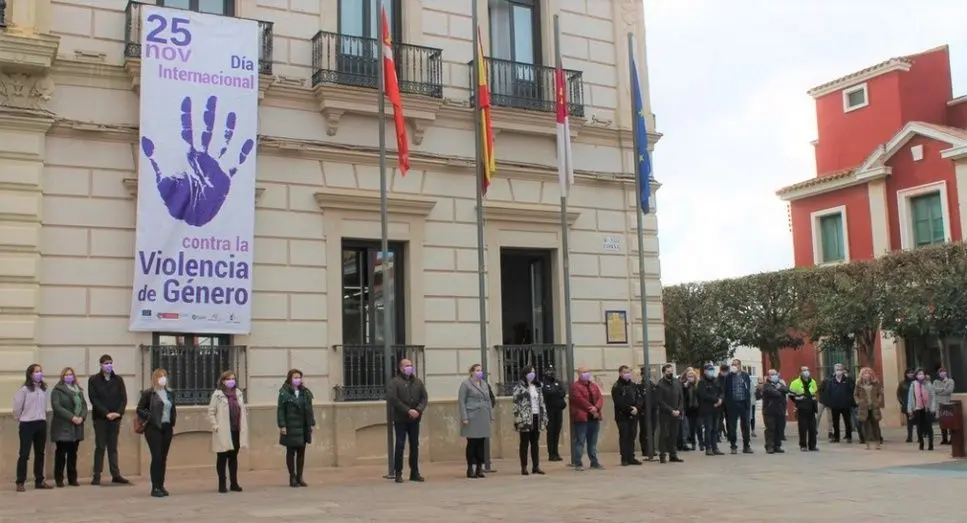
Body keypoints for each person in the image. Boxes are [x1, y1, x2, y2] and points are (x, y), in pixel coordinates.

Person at [88, 354, 130, 485]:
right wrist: (106, 413)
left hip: (115, 418)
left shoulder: (118, 380)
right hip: (100, 418)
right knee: (100, 446)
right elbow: (94, 399)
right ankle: (96, 475)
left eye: (110, 363)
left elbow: (123, 398)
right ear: (101, 365)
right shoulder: (93, 380)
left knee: (113, 447)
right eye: (106, 363)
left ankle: (115, 474)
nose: (108, 365)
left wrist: (118, 412)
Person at [137, 368, 177, 498]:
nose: (163, 379)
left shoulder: (170, 393)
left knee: (163, 457)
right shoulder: (149, 393)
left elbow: (172, 408)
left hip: (167, 427)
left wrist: (172, 421)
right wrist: (149, 416)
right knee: (157, 457)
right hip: (153, 428)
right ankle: (155, 487)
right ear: (155, 378)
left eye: (164, 376)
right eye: (160, 376)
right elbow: (140, 409)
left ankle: (161, 485)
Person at [387, 358, 428, 483]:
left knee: (414, 445)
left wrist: (418, 410)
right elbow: (393, 399)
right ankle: (398, 472)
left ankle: (414, 472)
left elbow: (424, 398)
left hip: (415, 419)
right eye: (407, 365)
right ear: (401, 368)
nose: (410, 367)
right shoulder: (395, 382)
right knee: (400, 445)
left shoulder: (417, 382)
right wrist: (407, 410)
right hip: (401, 418)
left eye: (411, 365)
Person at [208, 370, 249, 493]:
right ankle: (222, 484)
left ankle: (234, 483)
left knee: (233, 457)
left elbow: (241, 410)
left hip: (235, 430)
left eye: (233, 379)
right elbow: (211, 412)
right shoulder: (218, 394)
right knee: (222, 457)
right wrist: (215, 426)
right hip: (223, 431)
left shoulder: (238, 394)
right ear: (223, 381)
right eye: (228, 379)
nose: (231, 381)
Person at [13, 364, 51, 492]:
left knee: (40, 453)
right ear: (30, 374)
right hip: (27, 424)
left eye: (40, 371)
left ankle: (39, 480)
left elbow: (44, 406)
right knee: (24, 454)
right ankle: (20, 481)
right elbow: (17, 407)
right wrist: (20, 418)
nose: (39, 374)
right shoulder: (24, 390)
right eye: (36, 372)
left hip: (41, 423)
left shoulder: (43, 389)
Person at [50, 366, 87, 488]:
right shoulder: (57, 391)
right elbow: (57, 407)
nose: (68, 376)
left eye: (70, 374)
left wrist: (82, 417)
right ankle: (59, 478)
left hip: (76, 426)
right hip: (63, 426)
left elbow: (84, 406)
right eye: (66, 375)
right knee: (61, 454)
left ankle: (72, 479)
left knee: (73, 454)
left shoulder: (78, 390)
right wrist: (72, 417)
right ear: (62, 377)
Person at [277, 368, 315, 487]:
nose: (298, 379)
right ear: (290, 379)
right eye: (295, 377)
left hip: (302, 426)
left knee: (301, 452)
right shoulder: (284, 393)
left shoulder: (305, 393)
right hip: (290, 426)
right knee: (290, 452)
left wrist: (311, 424)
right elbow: (280, 410)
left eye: (299, 377)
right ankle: (292, 477)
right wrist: (282, 425)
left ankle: (300, 476)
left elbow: (309, 410)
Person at [458, 363, 492, 479]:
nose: (479, 372)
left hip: (483, 416)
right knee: (472, 443)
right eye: (477, 370)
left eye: (480, 370)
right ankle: (470, 468)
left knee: (481, 443)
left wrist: (490, 415)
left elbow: (488, 400)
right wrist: (464, 417)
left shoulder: (484, 384)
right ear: (472, 372)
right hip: (472, 416)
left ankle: (479, 467)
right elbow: (461, 401)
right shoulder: (466, 384)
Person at [512, 366, 547, 475]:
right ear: (525, 374)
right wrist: (518, 418)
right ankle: (524, 467)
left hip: (536, 416)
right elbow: (515, 404)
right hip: (525, 418)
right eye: (530, 372)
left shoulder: (537, 386)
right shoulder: (519, 387)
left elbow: (542, 402)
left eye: (534, 372)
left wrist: (544, 416)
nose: (532, 374)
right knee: (524, 443)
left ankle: (536, 466)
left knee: (535, 442)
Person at [569, 366, 604, 471]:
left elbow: (600, 398)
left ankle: (594, 462)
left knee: (592, 442)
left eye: (587, 372)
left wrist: (596, 408)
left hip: (594, 418)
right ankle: (578, 463)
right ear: (579, 374)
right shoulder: (575, 387)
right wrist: (591, 408)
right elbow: (579, 400)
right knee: (580, 441)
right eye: (583, 372)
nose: (586, 374)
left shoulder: (593, 386)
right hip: (581, 418)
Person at [611, 365, 641, 465]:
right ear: (620, 373)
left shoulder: (633, 385)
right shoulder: (617, 386)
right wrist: (630, 409)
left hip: (634, 414)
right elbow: (618, 402)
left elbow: (639, 398)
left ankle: (631, 457)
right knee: (624, 436)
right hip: (622, 416)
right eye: (625, 372)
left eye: (628, 372)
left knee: (632, 436)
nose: (627, 374)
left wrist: (637, 407)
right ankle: (624, 458)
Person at [655, 363, 684, 463]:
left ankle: (673, 455)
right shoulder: (660, 385)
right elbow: (660, 401)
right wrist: (671, 410)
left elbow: (681, 398)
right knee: (664, 435)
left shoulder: (677, 382)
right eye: (668, 372)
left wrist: (679, 410)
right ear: (664, 373)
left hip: (676, 413)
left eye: (671, 371)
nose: (670, 373)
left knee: (674, 435)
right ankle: (662, 456)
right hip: (665, 414)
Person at [724, 359, 753, 454]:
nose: (734, 366)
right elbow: (725, 389)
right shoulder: (728, 376)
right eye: (733, 364)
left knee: (745, 425)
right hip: (732, 404)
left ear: (740, 365)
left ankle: (746, 446)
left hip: (743, 403)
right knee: (732, 426)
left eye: (736, 364)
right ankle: (733, 446)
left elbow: (748, 388)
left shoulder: (745, 375)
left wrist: (748, 401)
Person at [788, 366, 819, 452]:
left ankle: (812, 445)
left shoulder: (813, 381)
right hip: (801, 408)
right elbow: (791, 395)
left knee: (812, 428)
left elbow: (815, 392)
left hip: (812, 408)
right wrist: (798, 399)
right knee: (802, 428)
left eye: (807, 370)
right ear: (800, 372)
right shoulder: (795, 383)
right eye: (804, 370)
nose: (806, 372)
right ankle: (803, 445)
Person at [823, 363, 855, 443]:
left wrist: (850, 401)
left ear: (843, 370)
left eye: (840, 369)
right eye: (837, 370)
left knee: (847, 422)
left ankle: (849, 437)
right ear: (834, 371)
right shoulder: (831, 381)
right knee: (835, 422)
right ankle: (836, 437)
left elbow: (852, 390)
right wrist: (829, 403)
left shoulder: (848, 380)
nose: (839, 371)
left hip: (845, 405)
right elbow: (828, 392)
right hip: (835, 405)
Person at [541, 366, 567, 461]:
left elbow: (563, 392)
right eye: (549, 371)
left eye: (552, 371)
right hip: (549, 411)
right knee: (551, 431)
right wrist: (556, 392)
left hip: (558, 410)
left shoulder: (557, 382)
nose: (551, 373)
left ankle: (556, 452)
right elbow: (547, 393)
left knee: (557, 431)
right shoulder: (544, 383)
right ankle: (551, 454)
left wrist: (554, 392)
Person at [854, 367, 884, 450]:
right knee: (865, 426)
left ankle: (877, 443)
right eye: (865, 373)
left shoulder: (876, 384)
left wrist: (878, 401)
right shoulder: (859, 384)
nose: (867, 375)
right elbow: (855, 394)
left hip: (874, 407)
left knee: (875, 426)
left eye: (868, 373)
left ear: (871, 375)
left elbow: (880, 394)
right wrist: (858, 402)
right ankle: (867, 444)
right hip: (864, 408)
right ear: (862, 375)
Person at [697, 364, 724, 456]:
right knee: (708, 428)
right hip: (707, 408)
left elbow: (721, 391)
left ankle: (715, 447)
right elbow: (704, 395)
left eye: (712, 369)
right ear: (705, 371)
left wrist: (720, 399)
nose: (711, 371)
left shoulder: (716, 380)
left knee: (715, 429)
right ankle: (708, 448)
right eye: (709, 370)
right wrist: (716, 400)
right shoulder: (702, 382)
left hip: (717, 408)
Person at [907, 368, 936, 451]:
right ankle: (921, 443)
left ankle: (931, 444)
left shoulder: (928, 384)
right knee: (919, 427)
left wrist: (933, 407)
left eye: (922, 374)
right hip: (918, 408)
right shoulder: (913, 384)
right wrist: (910, 409)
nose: (921, 375)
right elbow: (910, 397)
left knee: (929, 426)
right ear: (916, 375)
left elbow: (933, 396)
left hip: (927, 408)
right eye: (919, 374)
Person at [760, 369, 787, 454]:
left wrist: (779, 389)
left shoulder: (780, 383)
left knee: (779, 428)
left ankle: (777, 446)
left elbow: (786, 389)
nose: (774, 376)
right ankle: (769, 446)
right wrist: (779, 390)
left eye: (775, 374)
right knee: (770, 428)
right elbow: (775, 393)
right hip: (769, 411)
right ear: (768, 376)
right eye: (771, 374)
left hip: (780, 410)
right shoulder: (766, 385)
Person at [635, 368, 658, 461]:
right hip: (644, 411)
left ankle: (651, 449)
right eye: (645, 374)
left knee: (652, 430)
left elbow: (656, 398)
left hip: (653, 411)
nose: (647, 375)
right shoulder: (639, 386)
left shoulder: (653, 385)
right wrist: (641, 409)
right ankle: (645, 449)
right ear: (642, 375)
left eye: (648, 373)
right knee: (644, 430)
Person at [933, 368, 955, 445]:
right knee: (942, 423)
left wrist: (939, 391)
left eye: (944, 371)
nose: (942, 373)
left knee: (950, 422)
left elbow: (949, 391)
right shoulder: (935, 381)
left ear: (946, 373)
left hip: (948, 404)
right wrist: (943, 389)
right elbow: (934, 390)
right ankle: (944, 439)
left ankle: (952, 439)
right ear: (938, 373)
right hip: (939, 404)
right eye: (941, 372)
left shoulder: (950, 381)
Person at [682, 368, 700, 451]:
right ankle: (693, 443)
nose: (690, 378)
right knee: (691, 427)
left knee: (698, 426)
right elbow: (683, 397)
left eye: (692, 376)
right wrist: (685, 388)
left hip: (697, 408)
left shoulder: (698, 385)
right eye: (689, 376)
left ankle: (701, 442)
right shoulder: (685, 385)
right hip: (689, 409)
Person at [897, 369, 915, 443]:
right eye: (908, 373)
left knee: (918, 421)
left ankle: (920, 436)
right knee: (909, 421)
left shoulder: (915, 382)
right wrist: (902, 402)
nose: (910, 374)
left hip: (916, 404)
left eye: (911, 373)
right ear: (906, 374)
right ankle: (909, 437)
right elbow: (898, 394)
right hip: (907, 404)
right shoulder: (902, 383)